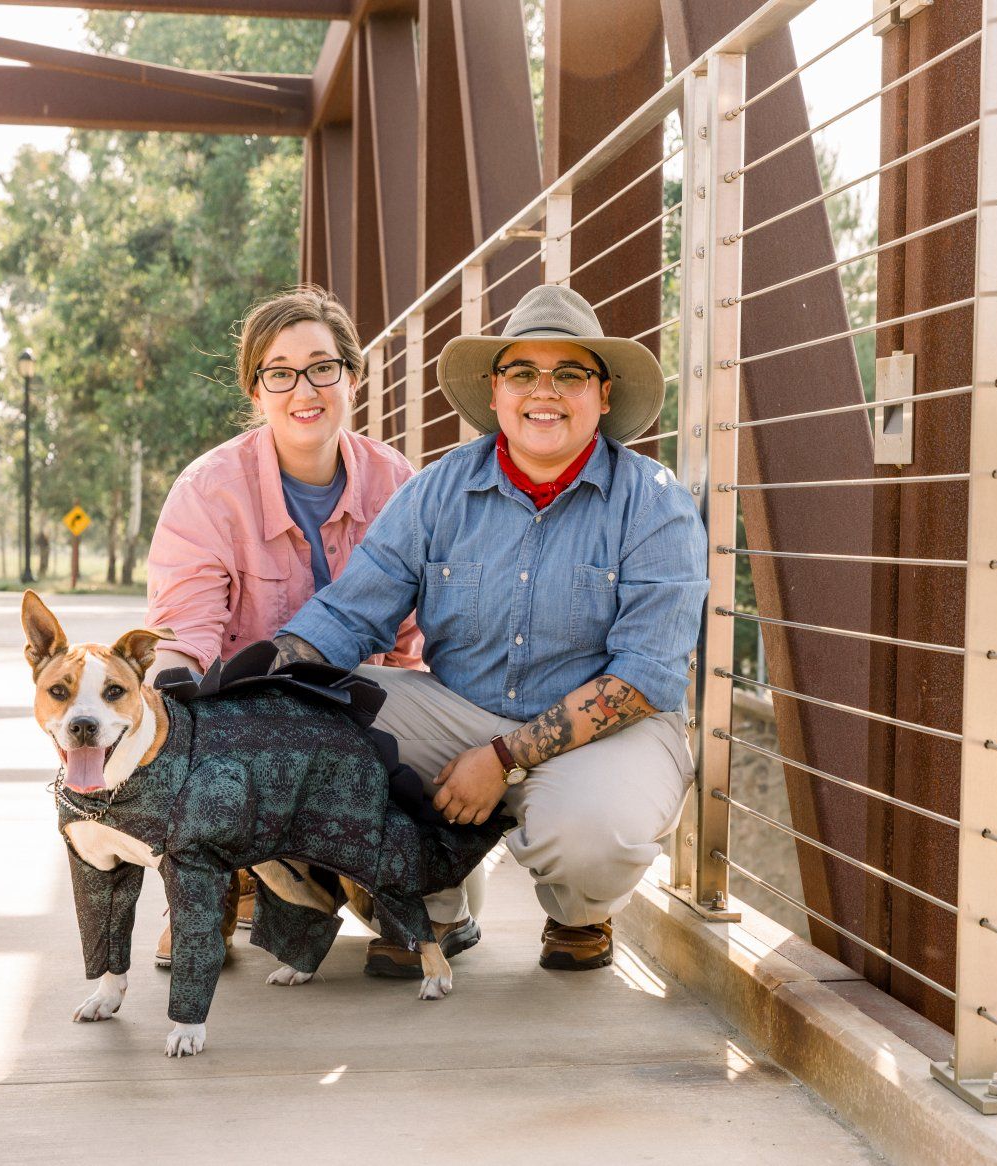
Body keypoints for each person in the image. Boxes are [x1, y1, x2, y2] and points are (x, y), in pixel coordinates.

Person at [274, 284, 707, 973]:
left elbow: (641, 681)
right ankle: (429, 907)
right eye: (522, 373)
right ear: (496, 391)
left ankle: (579, 915)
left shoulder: (655, 504)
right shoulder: (440, 489)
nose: (546, 391)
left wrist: (502, 760)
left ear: (602, 395)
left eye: (570, 374)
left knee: (592, 833)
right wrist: (259, 679)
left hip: (610, 732)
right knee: (300, 722)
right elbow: (350, 612)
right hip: (460, 710)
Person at [145, 285, 424, 967]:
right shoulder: (208, 492)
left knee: (427, 908)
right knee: (175, 718)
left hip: (367, 722)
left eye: (322, 367)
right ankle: (217, 879)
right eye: (280, 372)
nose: (305, 388)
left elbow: (424, 638)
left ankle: (377, 880)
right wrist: (168, 713)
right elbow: (185, 633)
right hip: (254, 726)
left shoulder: (399, 485)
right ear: (258, 390)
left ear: (351, 377)